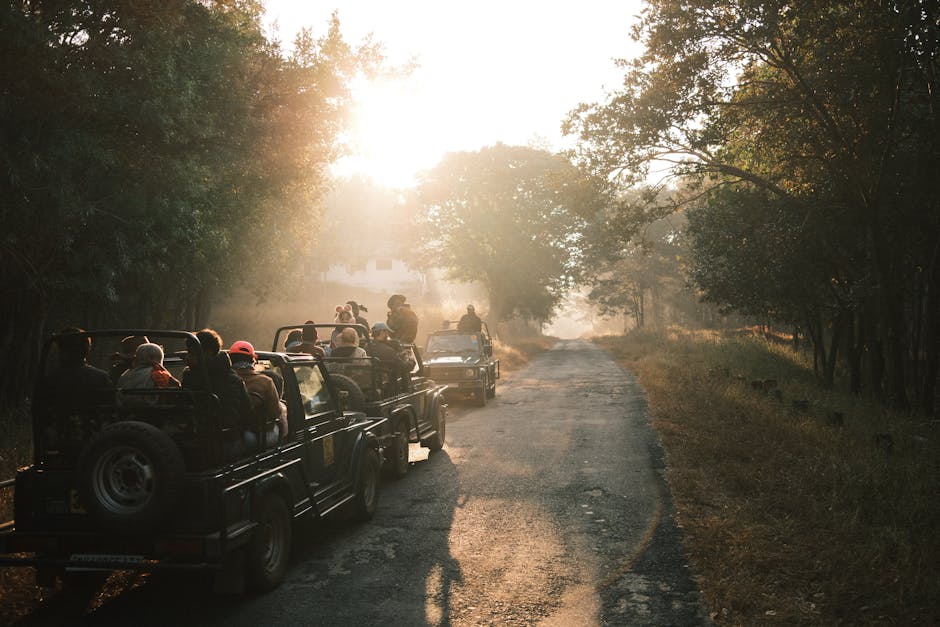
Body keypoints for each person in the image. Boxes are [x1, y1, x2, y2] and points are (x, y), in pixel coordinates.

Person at [181, 329, 254, 457]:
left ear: (206, 352)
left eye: (192, 353)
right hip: (225, 441)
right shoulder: (233, 379)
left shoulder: (190, 377)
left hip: (212, 443)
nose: (188, 357)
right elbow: (248, 413)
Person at [229, 341, 286, 444]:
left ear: (230, 360)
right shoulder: (266, 382)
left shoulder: (224, 380)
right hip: (258, 436)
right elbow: (275, 414)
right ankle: (286, 445)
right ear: (253, 360)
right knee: (283, 409)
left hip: (231, 435)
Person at [369, 322, 413, 391]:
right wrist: (411, 361)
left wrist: (399, 356)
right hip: (388, 389)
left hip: (372, 385)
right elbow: (404, 368)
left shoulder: (366, 347)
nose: (387, 335)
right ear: (382, 332)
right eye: (386, 332)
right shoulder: (388, 351)